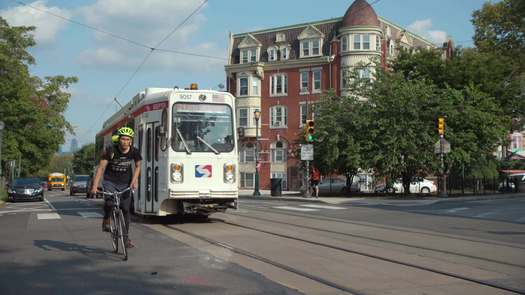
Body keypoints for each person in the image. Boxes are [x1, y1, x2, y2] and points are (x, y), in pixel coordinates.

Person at [90, 126, 142, 248]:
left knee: (126, 210)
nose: (125, 141)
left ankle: (126, 238)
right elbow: (101, 168)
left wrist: (134, 181)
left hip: (125, 183)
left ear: (131, 141)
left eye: (127, 139)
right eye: (123, 139)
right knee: (109, 203)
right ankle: (106, 219)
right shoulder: (111, 151)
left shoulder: (134, 151)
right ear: (119, 139)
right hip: (110, 182)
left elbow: (138, 166)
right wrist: (94, 186)